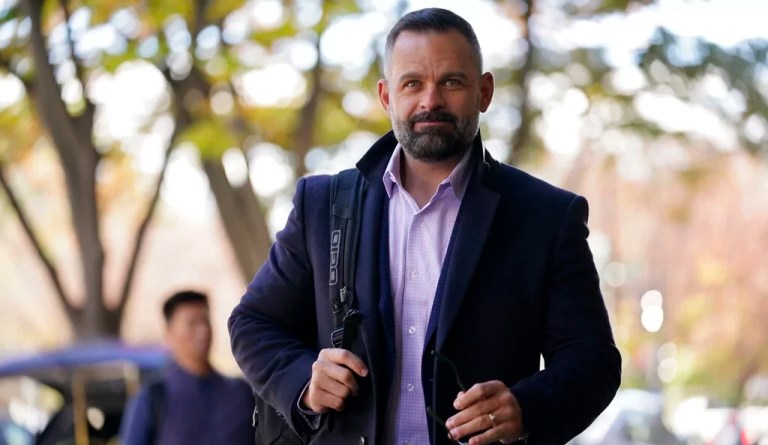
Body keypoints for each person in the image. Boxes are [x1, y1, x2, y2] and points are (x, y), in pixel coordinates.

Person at [229, 7, 621, 445]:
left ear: (484, 92)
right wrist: (303, 379)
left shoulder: (546, 216)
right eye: (412, 83)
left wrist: (526, 407)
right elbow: (252, 323)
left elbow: (594, 362)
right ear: (386, 96)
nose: (430, 100)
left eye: (451, 81)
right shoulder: (321, 206)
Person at [120, 290, 255, 445]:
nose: (202, 331)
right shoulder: (153, 397)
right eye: (192, 324)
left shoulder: (241, 393)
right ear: (169, 333)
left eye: (205, 321)